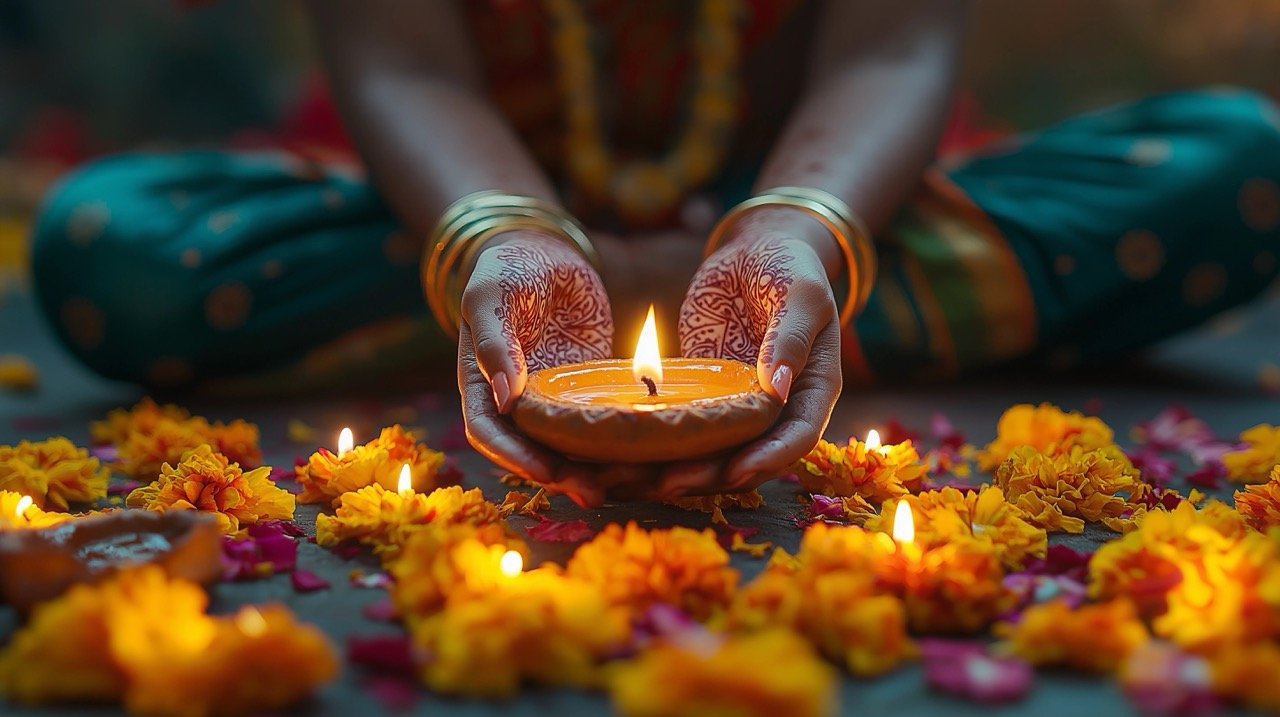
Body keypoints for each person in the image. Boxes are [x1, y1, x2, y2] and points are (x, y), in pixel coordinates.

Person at [29, 1, 1280, 505]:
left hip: (817, 197)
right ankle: (520, 308)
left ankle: (778, 304)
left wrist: (800, 229)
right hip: (468, 206)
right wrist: (502, 238)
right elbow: (399, 58)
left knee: (1237, 161)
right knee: (114, 245)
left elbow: (890, 47)